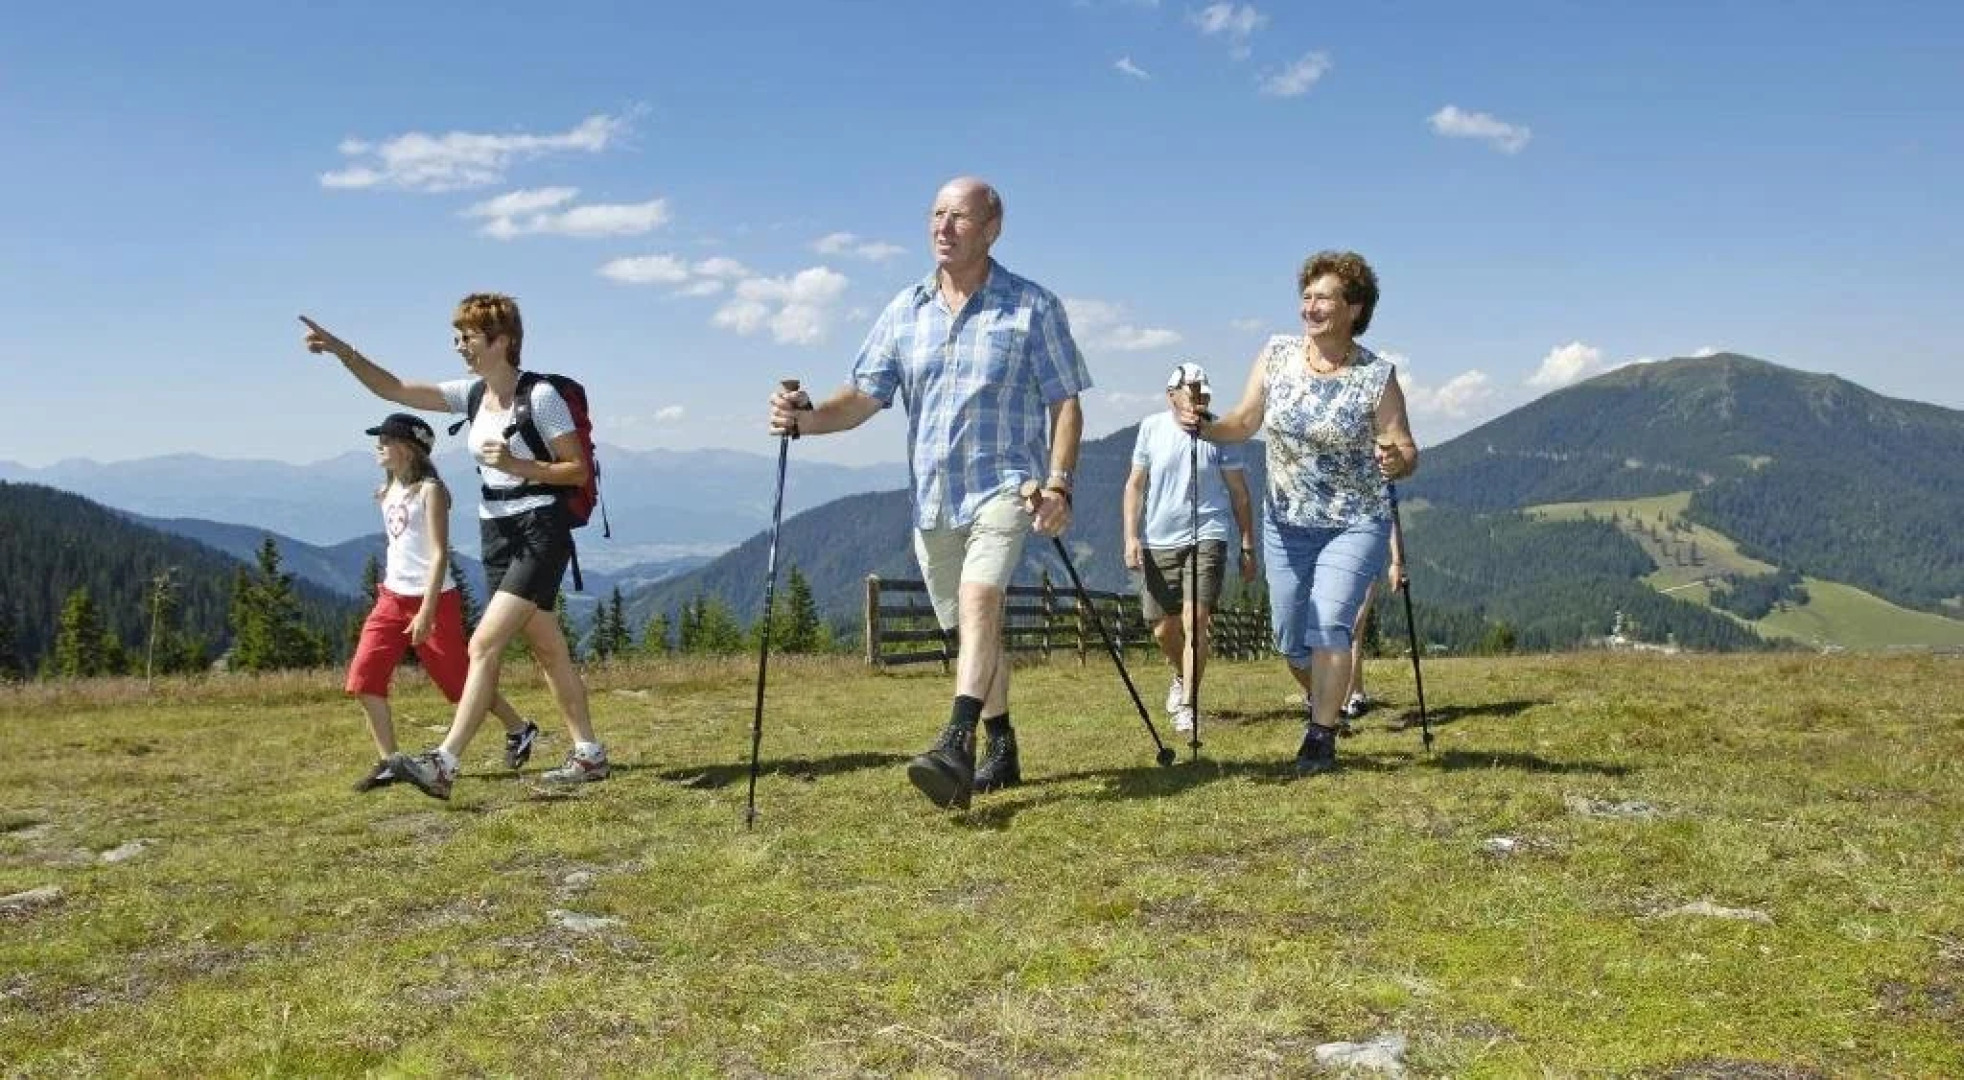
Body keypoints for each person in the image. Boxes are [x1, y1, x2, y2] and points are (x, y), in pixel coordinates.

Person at [768, 176, 1090, 810]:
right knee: (972, 628)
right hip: (934, 499)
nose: (944, 227)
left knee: (979, 600)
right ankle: (1002, 744)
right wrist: (805, 419)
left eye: (961, 217)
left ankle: (955, 742)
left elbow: (1066, 402)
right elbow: (862, 397)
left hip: (1007, 488)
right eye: (937, 215)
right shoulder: (905, 309)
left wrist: (1059, 482)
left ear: (991, 230)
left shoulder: (1032, 306)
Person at [301, 293, 611, 799]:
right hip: (497, 531)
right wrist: (343, 352)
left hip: (540, 528)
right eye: (458, 337)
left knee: (483, 644)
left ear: (501, 341)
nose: (459, 346)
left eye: (467, 337)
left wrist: (518, 467)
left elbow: (574, 468)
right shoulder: (470, 395)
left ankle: (444, 764)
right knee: (548, 648)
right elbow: (395, 388)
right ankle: (589, 754)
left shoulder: (542, 398)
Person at [1176, 250, 1418, 776]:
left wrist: (1396, 457)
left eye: (1324, 297)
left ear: (1353, 308)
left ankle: (1320, 735)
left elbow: (1404, 449)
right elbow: (1243, 422)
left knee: (1330, 622)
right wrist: (1203, 425)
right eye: (1306, 297)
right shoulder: (1278, 353)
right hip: (1285, 522)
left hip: (1355, 520)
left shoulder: (1376, 376)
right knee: (1291, 640)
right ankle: (1326, 704)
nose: (1310, 306)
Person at [345, 412, 540, 792]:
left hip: (433, 601)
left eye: (384, 440)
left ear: (406, 447)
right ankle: (390, 761)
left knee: (458, 685)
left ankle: (520, 727)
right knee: (363, 679)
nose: (377, 446)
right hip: (391, 597)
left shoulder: (430, 491)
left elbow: (438, 555)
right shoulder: (387, 491)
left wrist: (427, 611)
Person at [1123, 362, 1256, 735]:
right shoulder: (1151, 428)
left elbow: (1239, 493)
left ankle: (1188, 706)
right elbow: (1135, 485)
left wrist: (1247, 544)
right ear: (1172, 395)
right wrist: (1131, 537)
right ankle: (1183, 676)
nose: (1200, 399)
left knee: (1195, 619)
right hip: (1159, 539)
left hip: (1208, 535)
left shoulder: (1220, 432)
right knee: (1164, 631)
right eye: (1192, 391)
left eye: (1205, 393)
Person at [1339, 516, 1404, 728]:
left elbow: (1389, 514)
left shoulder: (1376, 483)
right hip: (1336, 556)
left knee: (1353, 627)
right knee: (1345, 628)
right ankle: (1356, 694)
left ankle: (1341, 704)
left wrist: (1396, 561)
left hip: (1367, 555)